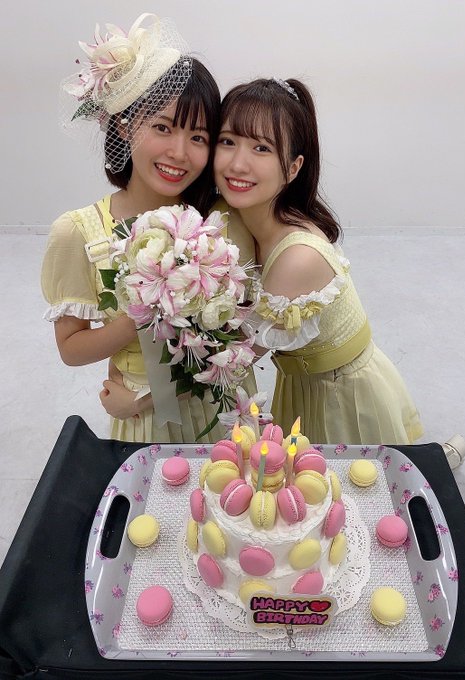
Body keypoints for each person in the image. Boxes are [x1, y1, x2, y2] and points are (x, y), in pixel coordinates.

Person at [41, 14, 256, 443]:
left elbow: (244, 337)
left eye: (198, 137)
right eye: (162, 127)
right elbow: (71, 348)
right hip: (144, 424)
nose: (179, 152)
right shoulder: (79, 232)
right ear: (124, 125)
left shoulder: (221, 220)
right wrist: (138, 318)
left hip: (223, 411)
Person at [214, 77, 424, 445]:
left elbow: (233, 361)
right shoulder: (241, 218)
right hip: (301, 384)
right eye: (228, 141)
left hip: (341, 398)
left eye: (261, 148)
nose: (238, 163)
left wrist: (141, 398)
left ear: (293, 168)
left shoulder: (298, 258)